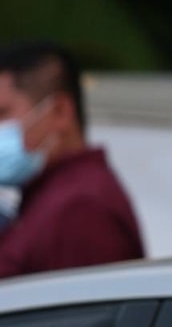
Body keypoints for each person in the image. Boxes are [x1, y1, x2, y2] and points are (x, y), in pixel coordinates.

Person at [0, 40, 145, 278]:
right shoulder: (51, 199)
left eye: (1, 113)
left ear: (59, 112)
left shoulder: (79, 211)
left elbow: (81, 313)